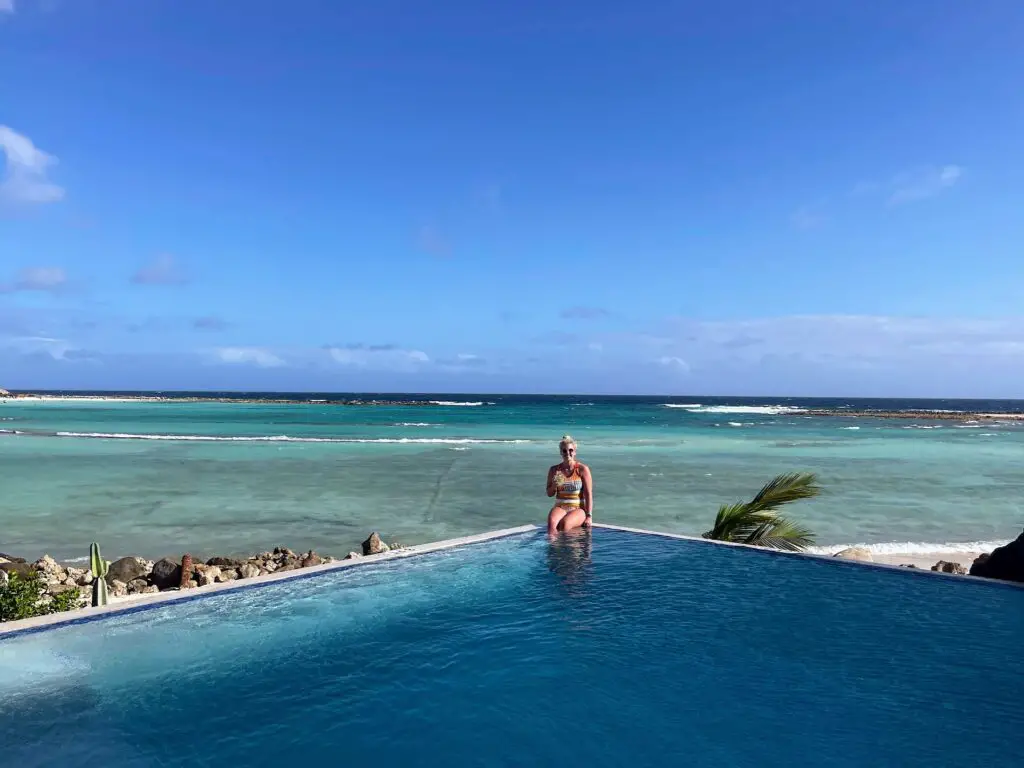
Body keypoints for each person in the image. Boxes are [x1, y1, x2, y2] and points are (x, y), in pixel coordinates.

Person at [546, 434, 594, 534]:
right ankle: (553, 548)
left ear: (575, 452)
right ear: (560, 452)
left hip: (578, 508)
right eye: (564, 451)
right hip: (560, 506)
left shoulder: (582, 469)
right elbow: (549, 493)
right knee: (551, 524)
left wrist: (589, 516)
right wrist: (554, 485)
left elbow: (588, 494)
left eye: (570, 450)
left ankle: (568, 548)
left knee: (564, 524)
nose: (568, 453)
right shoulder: (554, 470)